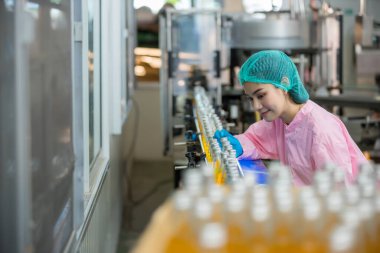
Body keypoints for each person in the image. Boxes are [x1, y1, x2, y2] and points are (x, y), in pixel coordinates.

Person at [213, 50, 367, 186]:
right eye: (250, 98)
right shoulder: (282, 120)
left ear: (283, 84)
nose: (256, 106)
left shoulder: (320, 130)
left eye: (261, 95)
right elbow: (257, 140)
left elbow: (340, 193)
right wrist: (236, 144)